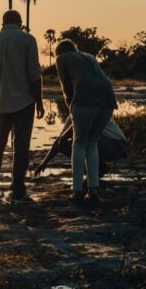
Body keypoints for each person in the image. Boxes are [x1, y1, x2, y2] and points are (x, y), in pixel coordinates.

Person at [0, 10, 44, 202]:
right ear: (20, 22)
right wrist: (39, 100)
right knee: (21, 146)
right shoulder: (28, 40)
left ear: (3, 22)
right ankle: (18, 189)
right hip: (24, 101)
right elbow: (34, 74)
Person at [55, 39, 117, 206]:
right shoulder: (89, 57)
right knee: (92, 143)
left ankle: (77, 191)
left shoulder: (62, 59)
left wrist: (72, 107)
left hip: (84, 102)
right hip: (108, 102)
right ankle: (94, 190)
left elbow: (66, 87)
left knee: (79, 143)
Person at [34, 114, 127, 181]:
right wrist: (44, 162)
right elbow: (60, 141)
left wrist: (45, 162)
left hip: (115, 146)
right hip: (111, 146)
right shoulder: (73, 115)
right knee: (67, 144)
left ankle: (94, 175)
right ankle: (99, 168)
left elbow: (62, 139)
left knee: (79, 142)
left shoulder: (83, 112)